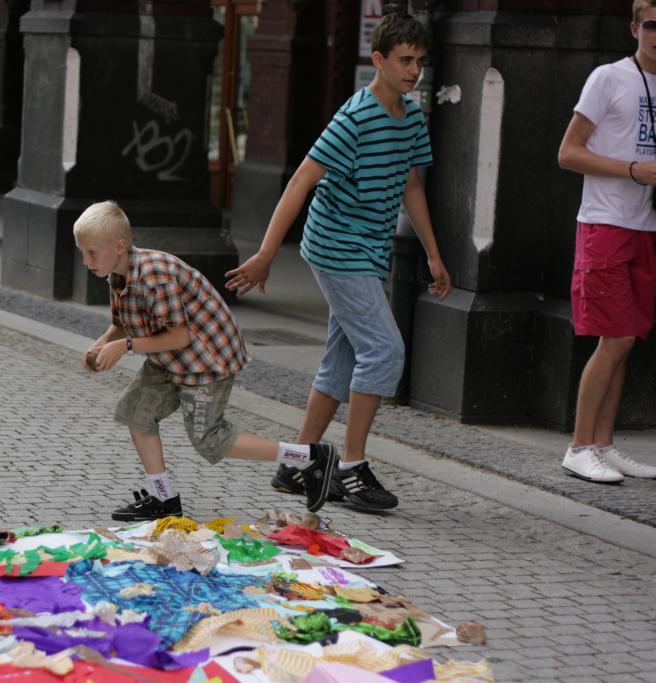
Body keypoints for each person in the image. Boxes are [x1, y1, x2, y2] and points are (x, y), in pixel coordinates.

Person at [225, 12, 451, 511]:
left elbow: (411, 185)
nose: (414, 70)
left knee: (344, 357)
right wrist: (265, 253)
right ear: (379, 60)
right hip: (335, 247)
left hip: (369, 250)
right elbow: (300, 181)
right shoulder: (353, 118)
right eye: (404, 60)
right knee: (385, 350)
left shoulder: (411, 117)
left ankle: (298, 462)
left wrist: (433, 253)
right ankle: (349, 468)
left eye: (420, 61)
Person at [75, 201, 338, 521]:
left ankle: (309, 457)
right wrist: (102, 344)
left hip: (205, 360)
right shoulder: (117, 272)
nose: (86, 260)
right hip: (169, 359)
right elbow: (121, 322)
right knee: (136, 412)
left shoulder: (154, 275)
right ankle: (164, 499)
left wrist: (125, 346)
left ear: (119, 246)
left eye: (91, 252)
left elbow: (179, 336)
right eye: (83, 252)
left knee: (209, 439)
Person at [555, 0, 656, 482]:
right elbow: (568, 153)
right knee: (613, 338)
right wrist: (633, 170)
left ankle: (604, 443)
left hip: (645, 225)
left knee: (628, 339)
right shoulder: (608, 77)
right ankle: (578, 446)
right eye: (652, 25)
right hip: (604, 223)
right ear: (635, 27)